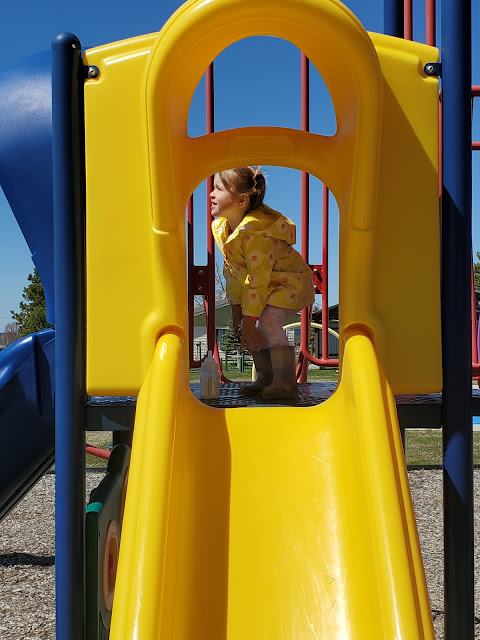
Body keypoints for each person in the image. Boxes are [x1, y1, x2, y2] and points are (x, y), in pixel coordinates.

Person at [210, 166, 315, 399]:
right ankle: (266, 376)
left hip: (292, 284)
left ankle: (286, 380)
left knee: (266, 320)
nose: (211, 194)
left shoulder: (256, 234)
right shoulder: (226, 231)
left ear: (242, 200)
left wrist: (249, 318)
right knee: (256, 326)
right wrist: (237, 308)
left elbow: (257, 279)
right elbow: (232, 272)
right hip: (269, 287)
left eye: (218, 188)